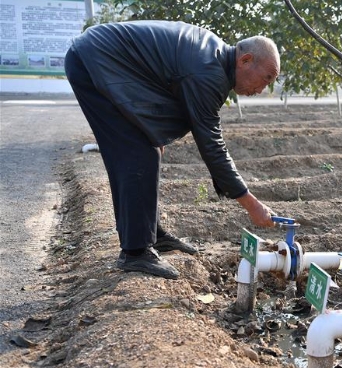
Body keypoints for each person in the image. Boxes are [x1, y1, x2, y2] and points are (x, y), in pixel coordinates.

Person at [64, 20, 279, 280]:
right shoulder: (207, 73)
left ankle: (152, 235)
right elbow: (211, 145)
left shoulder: (214, 60)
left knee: (147, 148)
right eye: (266, 78)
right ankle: (135, 252)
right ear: (245, 60)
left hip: (106, 58)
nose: (263, 89)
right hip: (94, 61)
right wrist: (251, 204)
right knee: (137, 152)